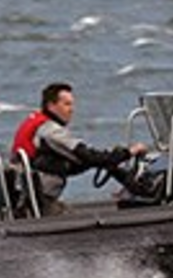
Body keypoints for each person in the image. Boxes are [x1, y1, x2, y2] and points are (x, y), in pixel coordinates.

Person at [10, 82, 148, 215]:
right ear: (51, 106)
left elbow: (79, 162)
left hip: (25, 195)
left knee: (98, 163)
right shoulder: (50, 131)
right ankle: (142, 191)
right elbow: (88, 156)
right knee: (80, 219)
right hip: (39, 201)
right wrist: (129, 152)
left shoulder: (37, 124)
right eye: (66, 104)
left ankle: (132, 188)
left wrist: (108, 161)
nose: (71, 109)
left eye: (72, 104)